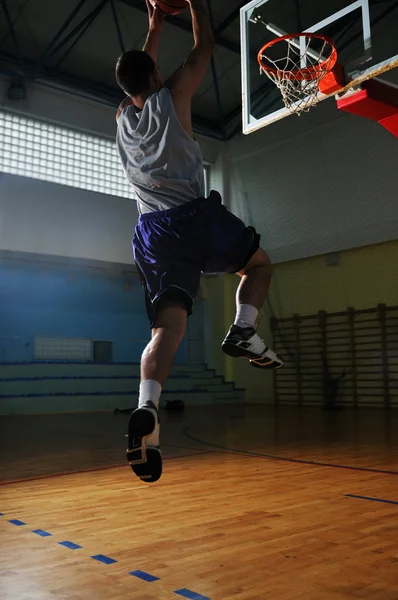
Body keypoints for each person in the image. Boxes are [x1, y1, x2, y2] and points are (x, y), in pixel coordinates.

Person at [115, 0, 283, 483]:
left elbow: (138, 71)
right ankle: (244, 328)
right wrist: (192, 4)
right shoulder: (171, 98)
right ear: (154, 74)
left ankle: (148, 407)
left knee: (165, 328)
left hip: (151, 233)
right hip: (191, 219)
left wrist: (153, 24)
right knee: (259, 265)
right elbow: (204, 47)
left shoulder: (124, 117)